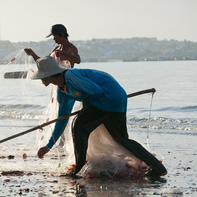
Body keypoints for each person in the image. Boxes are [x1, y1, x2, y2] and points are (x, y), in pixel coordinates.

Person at [31, 55, 167, 177]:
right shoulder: (62, 92)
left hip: (109, 97)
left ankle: (78, 169)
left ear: (49, 75)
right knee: (121, 139)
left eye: (42, 76)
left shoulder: (70, 77)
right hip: (115, 99)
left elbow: (96, 91)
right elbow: (63, 119)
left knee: (79, 127)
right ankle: (158, 167)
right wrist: (48, 146)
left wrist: (85, 107)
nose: (41, 79)